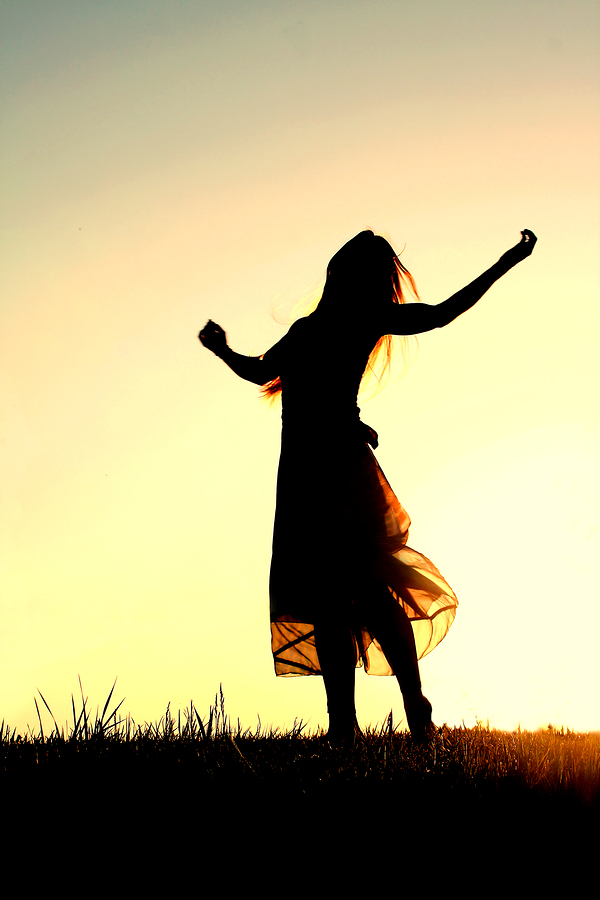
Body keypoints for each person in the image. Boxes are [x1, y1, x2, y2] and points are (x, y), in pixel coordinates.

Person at [199, 228, 537, 745]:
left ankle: (411, 705)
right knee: (329, 600)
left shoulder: (361, 321)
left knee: (367, 593)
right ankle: (344, 726)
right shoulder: (306, 330)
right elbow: (261, 370)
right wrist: (223, 350)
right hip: (305, 479)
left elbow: (442, 312)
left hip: (340, 475)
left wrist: (507, 260)